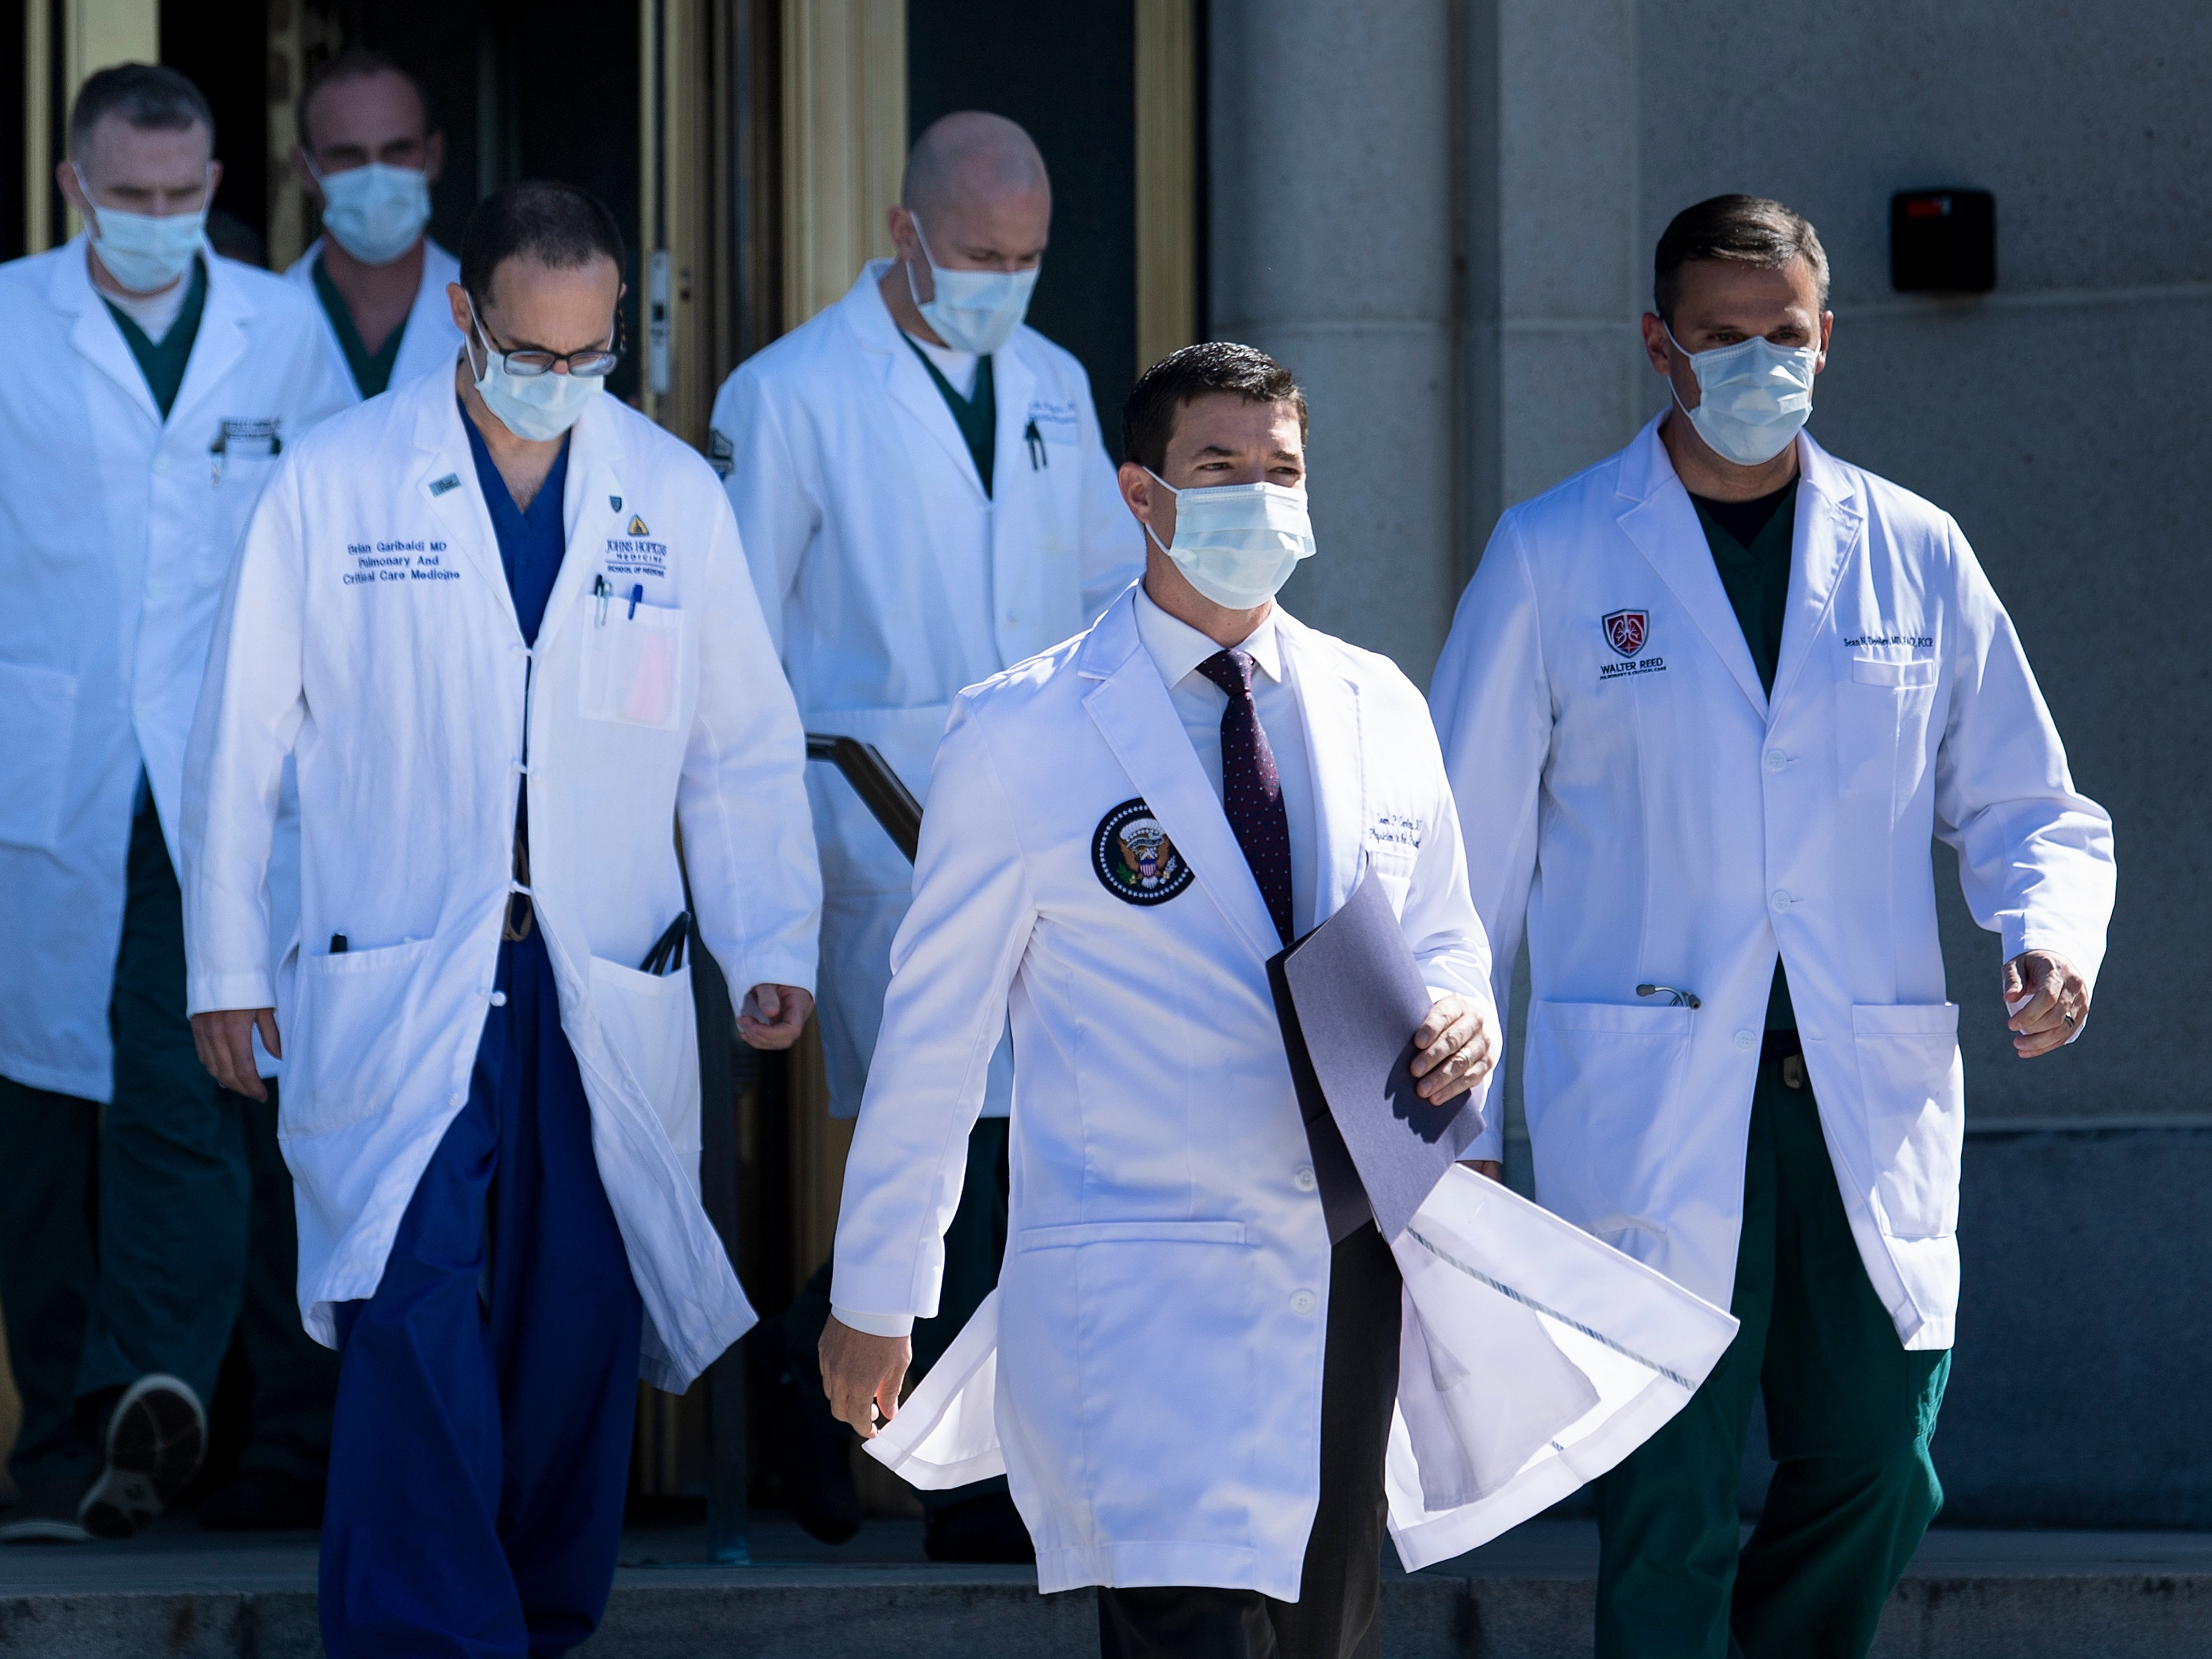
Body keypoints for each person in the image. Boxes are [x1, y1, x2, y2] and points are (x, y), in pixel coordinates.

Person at [1428, 195, 2117, 1659]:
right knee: (1664, 1492)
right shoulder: (1554, 553)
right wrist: (1460, 1117)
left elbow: (2026, 801)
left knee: (1880, 1458)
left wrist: (2042, 927)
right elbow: (1457, 861)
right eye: (1721, 337)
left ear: (1828, 339)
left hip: (1852, 1087)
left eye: (1783, 335)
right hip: (1654, 1088)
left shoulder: (1914, 550)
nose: (1755, 363)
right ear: (1657, 347)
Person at [181, 180, 821, 1657]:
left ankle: (536, 1616)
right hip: (404, 972)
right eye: (532, 350)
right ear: (465, 318)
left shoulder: (669, 490)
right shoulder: (335, 481)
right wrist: (225, 963)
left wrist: (772, 937)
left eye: (592, 356)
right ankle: (428, 1635)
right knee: (414, 1308)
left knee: (574, 1315)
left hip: (592, 981)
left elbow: (737, 739)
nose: (562, 382)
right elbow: (239, 744)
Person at [821, 343, 1504, 1659]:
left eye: (1282, 469)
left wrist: (1467, 1015)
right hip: (1139, 1277)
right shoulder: (1022, 731)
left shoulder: (1378, 703)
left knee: (1324, 1634)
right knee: (1185, 1630)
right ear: (1141, 494)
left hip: (1341, 1259)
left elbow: (1445, 939)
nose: (1260, 496)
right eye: (1220, 468)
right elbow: (935, 1035)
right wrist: (878, 1291)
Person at [709, 109, 1142, 1555]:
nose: (1002, 281)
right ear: (902, 234)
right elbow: (739, 652)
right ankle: (934, 1456)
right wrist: (762, 875)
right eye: (976, 253)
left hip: (1046, 821)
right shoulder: (791, 394)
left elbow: (1104, 599)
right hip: (877, 822)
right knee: (940, 1131)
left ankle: (944, 1446)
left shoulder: (1058, 385)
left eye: (1025, 257)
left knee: (1030, 1135)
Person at [0, 63, 352, 1544]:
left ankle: (164, 1403)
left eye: (183, 196)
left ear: (222, 182)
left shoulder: (283, 329)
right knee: (46, 1119)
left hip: (227, 767)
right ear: (76, 187)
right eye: (130, 198)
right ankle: (79, 1432)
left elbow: (335, 533)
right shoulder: (12, 320)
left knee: (200, 1080)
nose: (158, 221)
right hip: (56, 758)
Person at [283, 48, 463, 402]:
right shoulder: (267, 322)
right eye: (347, 155)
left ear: (434, 156)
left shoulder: (496, 322)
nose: (375, 176)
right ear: (305, 170)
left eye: (398, 151)